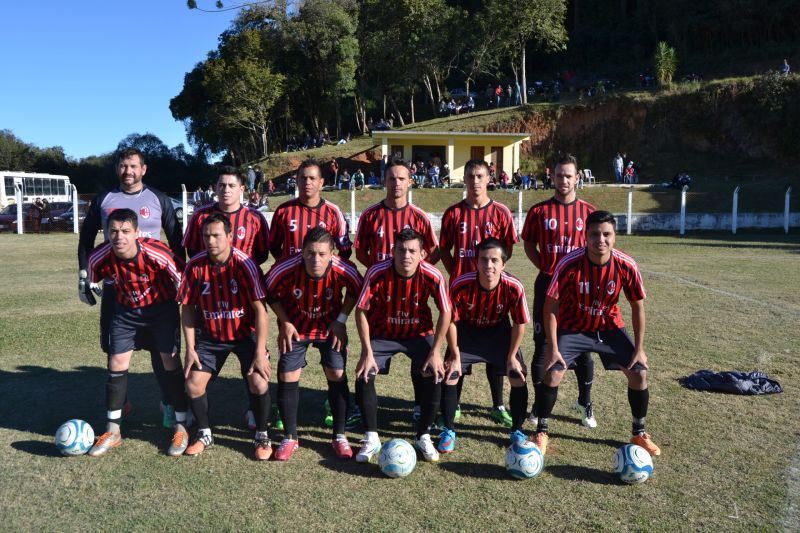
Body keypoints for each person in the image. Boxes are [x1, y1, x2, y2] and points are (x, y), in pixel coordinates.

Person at [531, 210, 660, 458]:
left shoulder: (626, 265)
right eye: (594, 234)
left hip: (609, 328)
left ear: (615, 237)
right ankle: (542, 431)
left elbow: (637, 306)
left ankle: (639, 432)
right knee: (553, 372)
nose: (600, 239)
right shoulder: (568, 263)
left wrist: (639, 348)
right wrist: (554, 348)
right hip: (574, 327)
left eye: (606, 234)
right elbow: (551, 306)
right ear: (585, 236)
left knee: (640, 373)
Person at [78, 147, 185, 429]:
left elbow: (176, 240)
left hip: (156, 290)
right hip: (117, 287)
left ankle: (169, 404)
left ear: (143, 169)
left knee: (162, 352)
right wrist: (83, 274)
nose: (129, 171)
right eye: (124, 166)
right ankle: (121, 404)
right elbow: (87, 237)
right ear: (117, 169)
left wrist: (182, 278)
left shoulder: (158, 198)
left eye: (134, 166)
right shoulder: (104, 199)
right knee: (113, 349)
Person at [85, 208, 188, 457]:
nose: (119, 237)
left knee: (169, 362)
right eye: (113, 231)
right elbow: (91, 279)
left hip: (161, 311)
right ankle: (112, 429)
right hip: (126, 312)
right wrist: (88, 288)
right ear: (107, 233)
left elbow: (182, 283)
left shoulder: (157, 252)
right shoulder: (99, 256)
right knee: (116, 362)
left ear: (137, 232)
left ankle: (181, 424)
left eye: (125, 231)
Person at [178, 213, 273, 460]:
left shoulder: (245, 264)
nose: (211, 240)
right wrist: (190, 348)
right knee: (193, 384)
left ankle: (262, 435)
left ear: (230, 236)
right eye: (206, 235)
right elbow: (187, 309)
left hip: (245, 335)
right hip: (211, 336)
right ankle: (204, 433)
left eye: (217, 235)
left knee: (259, 380)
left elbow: (261, 312)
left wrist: (261, 353)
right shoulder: (195, 266)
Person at [264, 228, 364, 460]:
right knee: (288, 375)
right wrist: (285, 322)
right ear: (302, 252)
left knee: (337, 373)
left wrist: (341, 319)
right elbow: (268, 292)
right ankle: (290, 437)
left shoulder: (343, 269)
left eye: (321, 254)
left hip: (330, 327)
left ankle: (339, 436)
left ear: (332, 254)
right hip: (296, 328)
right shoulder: (286, 268)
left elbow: (357, 289)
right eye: (310, 253)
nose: (315, 259)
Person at [354, 228, 451, 463]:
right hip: (384, 333)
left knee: (436, 372)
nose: (406, 256)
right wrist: (367, 352)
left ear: (422, 253)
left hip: (419, 333)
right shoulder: (377, 272)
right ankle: (371, 437)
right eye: (401, 250)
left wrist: (436, 352)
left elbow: (446, 312)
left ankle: (424, 435)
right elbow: (361, 311)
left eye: (412, 251)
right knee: (364, 373)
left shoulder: (433, 274)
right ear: (392, 251)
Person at [439, 159, 519, 428]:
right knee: (458, 351)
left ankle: (498, 405)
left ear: (489, 179)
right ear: (464, 179)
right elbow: (443, 250)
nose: (475, 181)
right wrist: (457, 276)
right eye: (470, 176)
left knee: (497, 351)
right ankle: (455, 404)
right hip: (462, 297)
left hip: (493, 295)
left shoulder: (501, 213)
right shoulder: (452, 214)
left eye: (480, 176)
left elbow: (508, 249)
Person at [522, 154, 597, 430]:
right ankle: (539, 404)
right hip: (547, 287)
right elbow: (529, 243)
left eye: (569, 175)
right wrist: (544, 265)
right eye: (559, 175)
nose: (563, 180)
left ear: (577, 178)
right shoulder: (539, 212)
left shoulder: (589, 212)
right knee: (543, 347)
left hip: (579, 290)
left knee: (583, 348)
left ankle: (584, 402)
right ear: (551, 177)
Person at [442, 239, 530, 453]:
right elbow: (451, 321)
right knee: (450, 374)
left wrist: (511, 356)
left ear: (503, 264)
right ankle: (448, 430)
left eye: (494, 260)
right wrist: (454, 353)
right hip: (467, 332)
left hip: (498, 333)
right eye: (483, 260)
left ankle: (517, 430)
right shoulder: (460, 284)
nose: (488, 265)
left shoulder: (514, 286)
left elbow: (519, 323)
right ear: (476, 262)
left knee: (518, 375)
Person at [354, 159, 439, 268]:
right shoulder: (369, 215)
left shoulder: (420, 217)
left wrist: (415, 272)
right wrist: (377, 272)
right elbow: (360, 253)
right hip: (380, 284)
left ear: (409, 182)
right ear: (384, 181)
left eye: (401, 179)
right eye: (392, 179)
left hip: (410, 284)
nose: (397, 183)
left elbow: (434, 252)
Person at [182, 166, 269, 265]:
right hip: (209, 278)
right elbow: (192, 250)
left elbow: (263, 254)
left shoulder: (256, 217)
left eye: (232, 185)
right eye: (222, 185)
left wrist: (242, 269)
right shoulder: (199, 215)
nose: (226, 190)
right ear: (216, 188)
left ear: (241, 189)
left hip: (243, 277)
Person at [270, 159, 352, 261]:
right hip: (293, 275)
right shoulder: (283, 211)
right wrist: (288, 265)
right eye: (303, 178)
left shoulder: (334, 212)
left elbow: (345, 250)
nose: (307, 182)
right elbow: (273, 246)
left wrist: (326, 269)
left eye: (312, 178)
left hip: (323, 275)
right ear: (297, 181)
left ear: (321, 182)